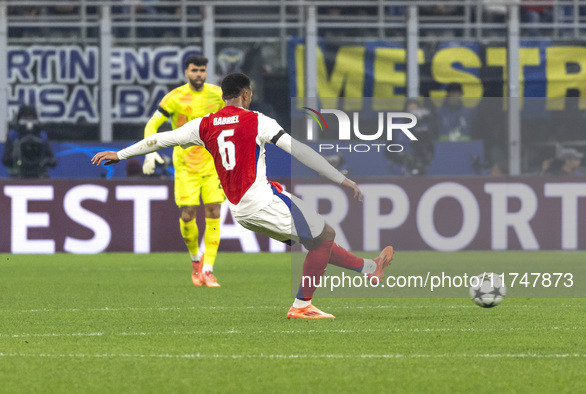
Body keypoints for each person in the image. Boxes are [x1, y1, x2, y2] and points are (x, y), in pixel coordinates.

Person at [92, 73, 394, 319]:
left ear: (223, 95)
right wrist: (341, 179)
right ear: (246, 95)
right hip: (260, 201)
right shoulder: (258, 120)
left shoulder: (203, 124)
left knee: (316, 239)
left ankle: (369, 268)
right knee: (324, 235)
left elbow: (159, 139)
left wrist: (120, 154)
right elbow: (299, 150)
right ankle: (302, 306)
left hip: (240, 208)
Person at [142, 56, 225, 288]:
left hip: (213, 164)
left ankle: (208, 270)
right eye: (194, 70)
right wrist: (150, 151)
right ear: (186, 72)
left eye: (202, 70)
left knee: (213, 210)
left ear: (206, 72)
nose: (199, 74)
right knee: (188, 213)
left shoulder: (218, 95)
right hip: (186, 166)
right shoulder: (174, 97)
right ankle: (195, 261)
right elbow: (152, 125)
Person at [2, 105, 57, 179]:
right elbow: (5, 160)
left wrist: (44, 161)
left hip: (40, 175)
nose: (28, 120)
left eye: (31, 117)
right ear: (19, 118)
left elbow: (52, 161)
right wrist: (16, 157)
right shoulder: (13, 135)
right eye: (25, 117)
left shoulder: (42, 135)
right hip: (18, 175)